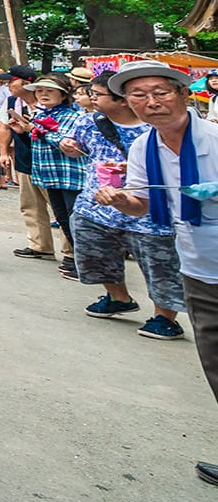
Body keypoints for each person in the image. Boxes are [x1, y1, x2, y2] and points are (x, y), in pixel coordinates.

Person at [97, 60, 218, 488]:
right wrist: (118, 199)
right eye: (139, 96)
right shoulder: (143, 147)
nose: (151, 103)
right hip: (198, 267)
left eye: (160, 92)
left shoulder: (216, 139)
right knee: (214, 361)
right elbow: (142, 203)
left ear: (184, 94)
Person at [73, 73, 185, 341]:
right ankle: (118, 297)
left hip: (151, 210)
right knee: (95, 254)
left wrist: (128, 168)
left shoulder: (157, 128)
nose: (92, 99)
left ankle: (165, 317)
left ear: (122, 101)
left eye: (97, 94)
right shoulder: (89, 122)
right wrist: (70, 146)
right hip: (96, 204)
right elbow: (77, 145)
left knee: (159, 262)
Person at [28, 72, 91, 280]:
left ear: (63, 95)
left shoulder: (72, 116)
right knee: (63, 219)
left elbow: (67, 143)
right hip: (50, 174)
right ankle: (81, 261)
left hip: (70, 175)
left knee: (74, 220)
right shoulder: (42, 114)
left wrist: (42, 130)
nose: (43, 94)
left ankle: (86, 264)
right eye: (39, 91)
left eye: (49, 91)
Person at [0, 64, 57, 259]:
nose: (7, 85)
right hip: (25, 159)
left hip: (51, 162)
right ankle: (40, 244)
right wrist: (4, 152)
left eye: (11, 81)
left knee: (59, 207)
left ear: (27, 83)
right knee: (30, 204)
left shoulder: (48, 103)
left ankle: (72, 251)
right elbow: (4, 128)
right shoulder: (11, 102)